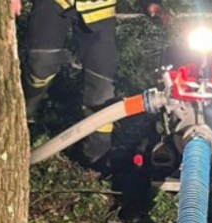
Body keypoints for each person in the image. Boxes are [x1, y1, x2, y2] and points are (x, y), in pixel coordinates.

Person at [19, 0, 168, 163]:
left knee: (102, 85)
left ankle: (95, 155)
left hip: (99, 10)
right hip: (53, 3)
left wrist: (150, 4)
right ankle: (24, 112)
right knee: (42, 63)